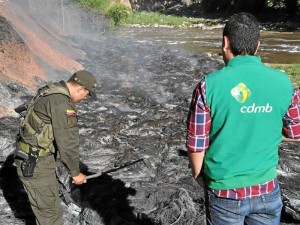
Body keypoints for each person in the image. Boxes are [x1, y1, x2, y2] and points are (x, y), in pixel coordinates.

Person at [186, 12, 300, 225]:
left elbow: (196, 145)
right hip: (267, 189)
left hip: (224, 192)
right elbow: (296, 132)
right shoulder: (284, 83)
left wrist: (199, 177)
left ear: (225, 42)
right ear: (257, 45)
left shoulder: (208, 85)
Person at [14, 70, 97, 225]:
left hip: (30, 156)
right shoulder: (62, 104)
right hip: (37, 162)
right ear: (81, 89)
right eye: (86, 95)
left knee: (48, 209)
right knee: (50, 214)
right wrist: (75, 173)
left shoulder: (50, 89)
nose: (85, 98)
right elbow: (67, 142)